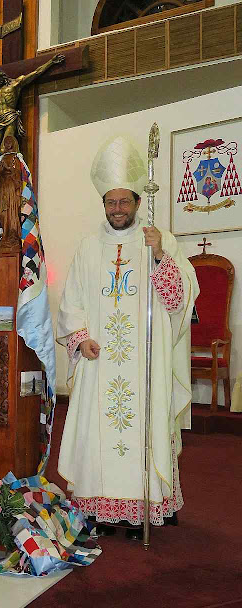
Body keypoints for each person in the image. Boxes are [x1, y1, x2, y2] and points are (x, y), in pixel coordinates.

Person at [57, 135, 199, 539]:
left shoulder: (160, 240)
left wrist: (159, 257)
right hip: (100, 362)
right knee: (99, 434)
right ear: (103, 203)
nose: (117, 209)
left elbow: (178, 300)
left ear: (138, 201)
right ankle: (101, 508)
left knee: (142, 429)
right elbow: (73, 301)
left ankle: (144, 508)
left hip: (146, 364)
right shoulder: (87, 248)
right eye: (110, 202)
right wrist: (81, 338)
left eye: (124, 201)